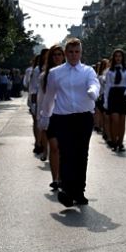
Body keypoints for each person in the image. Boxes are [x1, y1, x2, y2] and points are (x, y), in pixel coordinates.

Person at [38, 38, 100, 207]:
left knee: (81, 154)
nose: (74, 55)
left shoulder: (87, 71)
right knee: (66, 153)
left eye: (77, 52)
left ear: (81, 53)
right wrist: (45, 117)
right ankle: (66, 189)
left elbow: (94, 84)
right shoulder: (56, 73)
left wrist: (93, 91)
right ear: (66, 54)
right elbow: (49, 96)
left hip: (83, 117)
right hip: (62, 118)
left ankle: (79, 191)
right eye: (71, 52)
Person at [37, 45, 65, 190]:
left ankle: (63, 176)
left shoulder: (69, 73)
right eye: (54, 55)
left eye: (60, 54)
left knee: (64, 148)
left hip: (66, 115)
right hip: (51, 115)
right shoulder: (44, 76)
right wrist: (41, 117)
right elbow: (42, 98)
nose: (57, 57)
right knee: (54, 147)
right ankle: (56, 179)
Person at [103, 49, 126, 152]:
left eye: (120, 56)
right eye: (116, 56)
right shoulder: (109, 71)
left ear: (122, 57)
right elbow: (107, 86)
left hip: (123, 93)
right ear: (113, 57)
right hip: (113, 93)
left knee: (122, 121)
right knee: (114, 119)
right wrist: (106, 101)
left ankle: (120, 143)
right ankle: (113, 141)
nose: (118, 58)